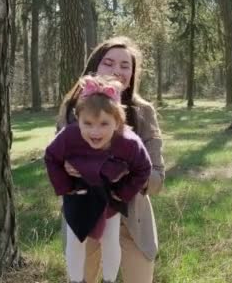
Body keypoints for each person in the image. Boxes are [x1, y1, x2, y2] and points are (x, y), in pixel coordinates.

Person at [57, 36, 165, 283]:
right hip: (84, 217)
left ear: (132, 74)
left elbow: (158, 180)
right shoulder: (72, 109)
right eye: (109, 63)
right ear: (95, 67)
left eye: (125, 66)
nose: (117, 70)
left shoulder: (144, 112)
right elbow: (55, 164)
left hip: (133, 223)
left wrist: (128, 170)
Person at [45, 75, 152, 283]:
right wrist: (65, 187)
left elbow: (144, 168)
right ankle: (77, 280)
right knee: (75, 239)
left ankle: (109, 280)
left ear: (117, 121)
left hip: (108, 195)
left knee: (110, 239)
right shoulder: (69, 136)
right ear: (78, 119)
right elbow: (51, 157)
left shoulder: (128, 142)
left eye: (104, 123)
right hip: (78, 192)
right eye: (88, 123)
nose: (95, 131)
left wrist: (123, 193)